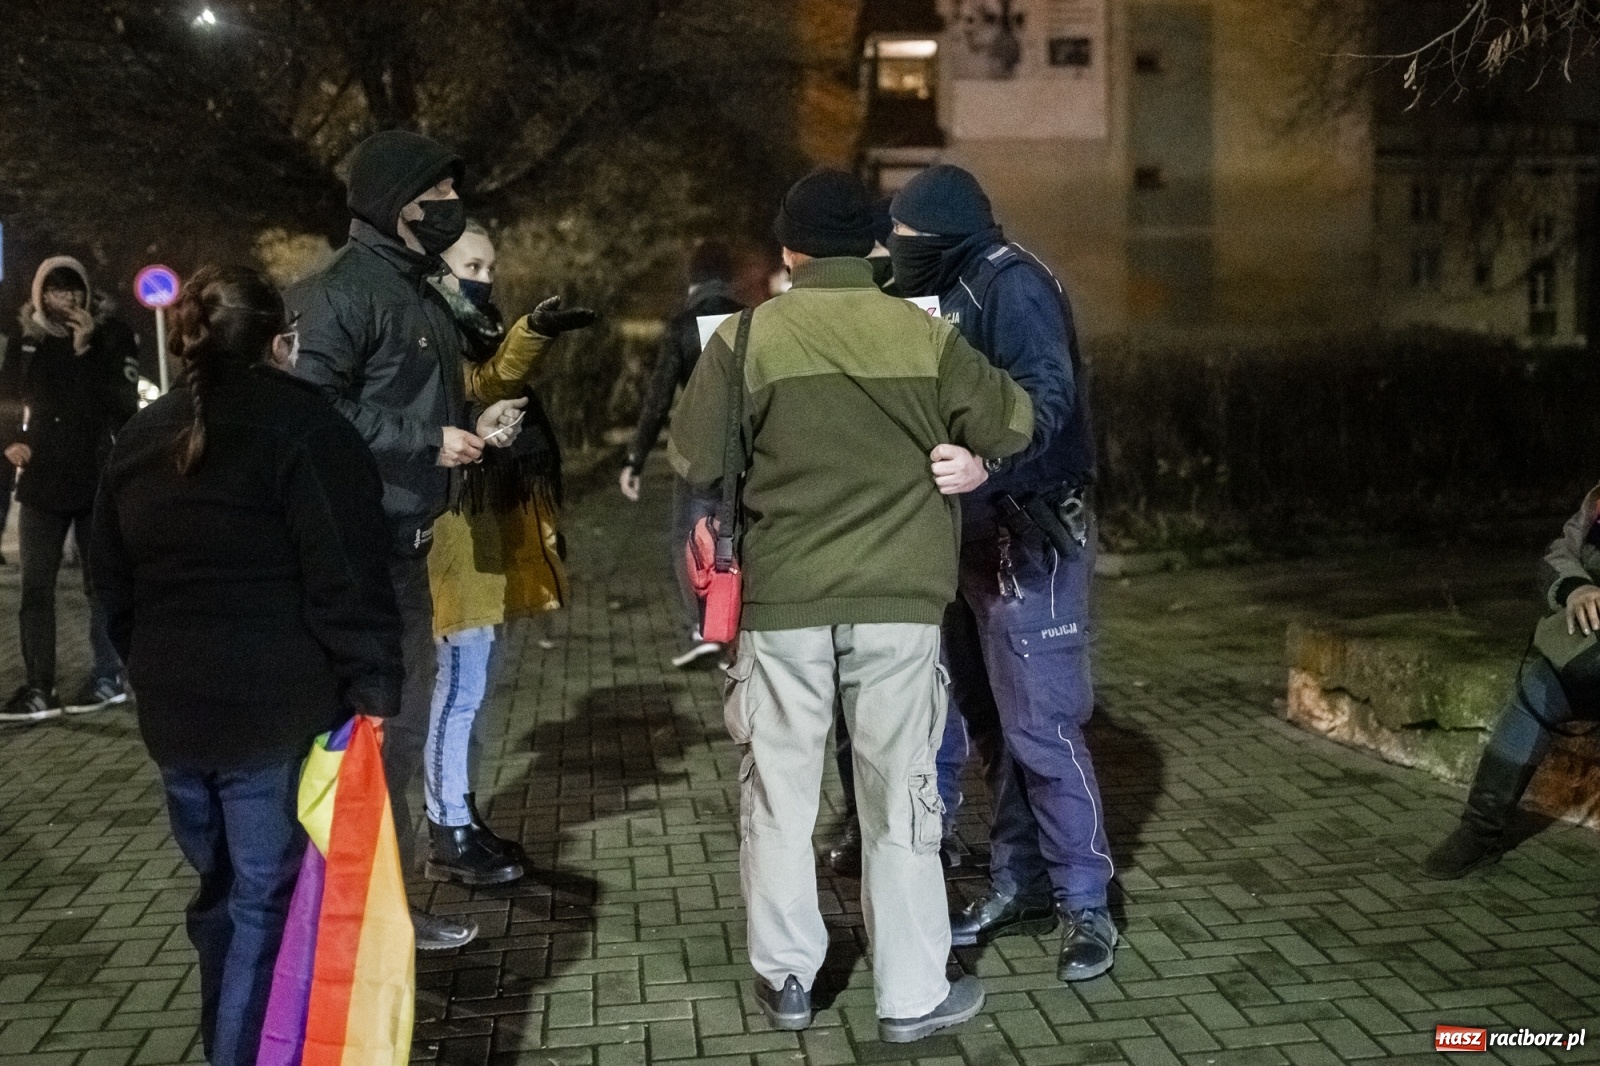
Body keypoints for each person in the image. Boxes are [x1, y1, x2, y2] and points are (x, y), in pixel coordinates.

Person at [670, 168, 1035, 1042]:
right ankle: (911, 993)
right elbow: (1011, 424)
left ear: (789, 251)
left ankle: (789, 978)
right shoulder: (924, 334)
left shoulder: (746, 339)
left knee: (780, 796)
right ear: (873, 246)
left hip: (782, 603)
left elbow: (694, 457)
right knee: (900, 794)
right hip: (899, 604)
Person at [91, 266, 403, 1066]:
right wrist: (373, 686)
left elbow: (110, 582)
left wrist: (148, 665)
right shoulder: (308, 431)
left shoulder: (142, 436)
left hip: (177, 716)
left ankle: (233, 1042)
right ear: (280, 342)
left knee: (222, 896)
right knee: (265, 903)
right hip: (274, 714)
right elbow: (347, 576)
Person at [287, 129, 526, 951]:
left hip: (410, 546)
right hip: (363, 553)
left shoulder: (417, 287)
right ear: (395, 202)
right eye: (437, 196)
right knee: (374, 738)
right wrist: (426, 441)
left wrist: (472, 424)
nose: (452, 208)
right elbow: (312, 406)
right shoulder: (344, 293)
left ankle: (379, 908)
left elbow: (407, 398)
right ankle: (363, 919)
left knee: (400, 735)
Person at [886, 164, 1115, 983]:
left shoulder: (1010, 285)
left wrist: (990, 464)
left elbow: (1047, 396)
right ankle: (1021, 883)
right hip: (974, 536)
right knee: (992, 721)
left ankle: (1087, 901)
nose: (895, 251)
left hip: (1031, 532)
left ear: (942, 234)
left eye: (905, 239)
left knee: (1043, 725)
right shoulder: (948, 284)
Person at [423, 221, 594, 885]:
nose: (485, 279)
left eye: (491, 267)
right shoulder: (433, 332)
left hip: (478, 527)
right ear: (437, 269)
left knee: (471, 689)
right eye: (472, 266)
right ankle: (448, 829)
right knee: (459, 688)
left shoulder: (465, 327)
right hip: (454, 533)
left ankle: (459, 815)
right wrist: (530, 336)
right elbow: (485, 382)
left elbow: (487, 384)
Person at [1421, 483, 1600, 878]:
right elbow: (1559, 554)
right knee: (1537, 691)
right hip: (1590, 655)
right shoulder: (1597, 503)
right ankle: (1480, 830)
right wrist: (1577, 588)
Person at [0, 257, 138, 723]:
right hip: (42, 481)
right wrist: (11, 440)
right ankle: (39, 686)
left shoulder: (112, 337)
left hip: (95, 477)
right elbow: (7, 398)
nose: (69, 298)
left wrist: (85, 350)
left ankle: (108, 675)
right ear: (41, 295)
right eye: (57, 290)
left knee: (99, 584)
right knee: (35, 587)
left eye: (74, 288)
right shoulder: (27, 342)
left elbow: (121, 404)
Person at [619, 240, 745, 667]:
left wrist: (635, 458)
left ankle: (705, 624)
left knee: (690, 537)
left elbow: (658, 399)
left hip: (699, 453)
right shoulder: (749, 320)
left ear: (693, 278)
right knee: (739, 537)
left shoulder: (682, 325)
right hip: (747, 451)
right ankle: (739, 627)